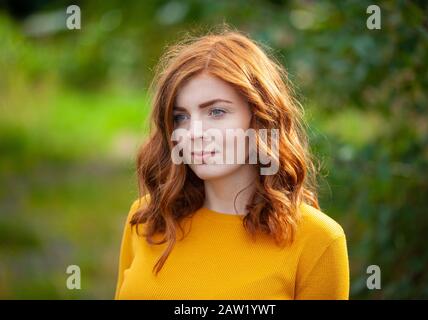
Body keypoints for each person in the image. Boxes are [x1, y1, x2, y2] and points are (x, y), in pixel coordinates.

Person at [114, 27, 349, 300]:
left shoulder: (318, 239)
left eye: (216, 112)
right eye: (181, 117)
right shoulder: (148, 217)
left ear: (260, 118)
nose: (195, 132)